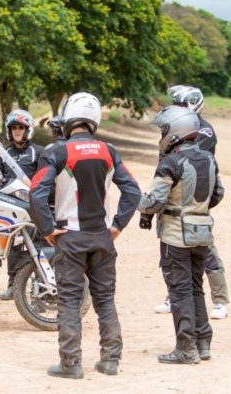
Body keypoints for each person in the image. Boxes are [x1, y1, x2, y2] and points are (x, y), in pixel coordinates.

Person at [29, 92, 141, 379]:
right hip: (102, 236)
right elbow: (133, 191)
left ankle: (71, 364)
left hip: (70, 237)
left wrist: (48, 229)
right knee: (105, 299)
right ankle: (110, 360)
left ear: (68, 119)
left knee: (69, 300)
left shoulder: (57, 151)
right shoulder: (108, 151)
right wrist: (117, 225)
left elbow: (36, 192)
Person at [138, 106, 224, 364]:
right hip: (202, 232)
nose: (162, 134)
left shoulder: (170, 163)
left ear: (176, 131)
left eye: (164, 129)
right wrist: (197, 210)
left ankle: (186, 348)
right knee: (197, 287)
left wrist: (140, 203)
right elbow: (217, 194)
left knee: (180, 290)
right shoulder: (209, 159)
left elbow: (155, 200)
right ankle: (202, 342)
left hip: (175, 235)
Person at [153, 85, 229, 320]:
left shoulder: (202, 131)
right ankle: (172, 294)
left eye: (180, 104)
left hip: (193, 199)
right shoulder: (174, 126)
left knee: (206, 250)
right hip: (171, 195)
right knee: (170, 250)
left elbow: (190, 164)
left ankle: (220, 300)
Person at [0, 109, 44, 300]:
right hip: (10, 207)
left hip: (32, 206)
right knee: (14, 246)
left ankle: (39, 286)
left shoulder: (37, 152)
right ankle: (12, 285)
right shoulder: (4, 153)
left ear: (28, 129)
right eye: (14, 127)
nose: (17, 131)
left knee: (37, 244)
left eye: (21, 127)